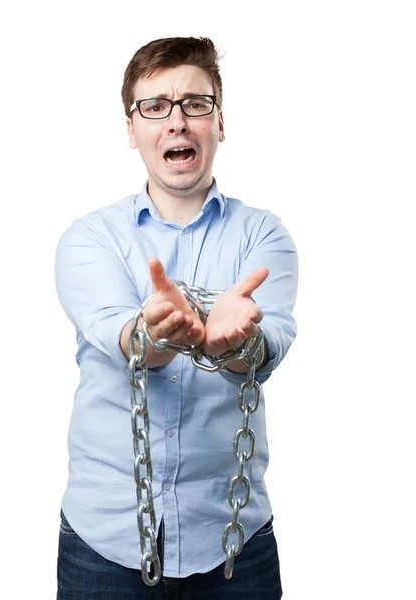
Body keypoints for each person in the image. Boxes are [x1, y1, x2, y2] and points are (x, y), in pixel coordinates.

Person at [54, 36, 298, 600]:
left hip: (233, 539)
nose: (177, 121)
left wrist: (237, 342)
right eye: (155, 106)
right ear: (132, 128)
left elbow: (266, 345)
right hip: (104, 541)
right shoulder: (90, 238)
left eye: (196, 103)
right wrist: (159, 332)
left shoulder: (264, 236)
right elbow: (123, 338)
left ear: (219, 121)